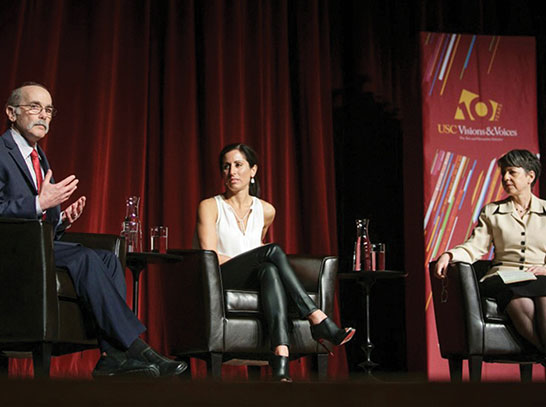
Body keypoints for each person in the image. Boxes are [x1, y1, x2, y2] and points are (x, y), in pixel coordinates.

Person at [0, 82, 187, 378]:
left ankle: (111, 355)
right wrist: (38, 202)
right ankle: (135, 347)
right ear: (11, 113)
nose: (43, 115)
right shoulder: (2, 151)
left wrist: (61, 220)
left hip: (37, 247)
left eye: (49, 110)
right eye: (35, 107)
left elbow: (41, 223)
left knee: (109, 259)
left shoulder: (39, 156)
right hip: (11, 251)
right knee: (84, 258)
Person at [196, 143, 355, 382]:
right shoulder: (210, 206)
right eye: (226, 166)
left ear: (253, 170)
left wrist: (257, 261)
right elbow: (209, 255)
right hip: (221, 276)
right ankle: (316, 318)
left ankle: (281, 358)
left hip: (253, 278)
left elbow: (256, 246)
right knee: (271, 252)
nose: (231, 172)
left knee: (269, 269)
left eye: (238, 165)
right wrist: (252, 259)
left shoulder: (266, 210)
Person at [435, 149, 546, 353]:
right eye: (503, 172)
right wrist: (450, 254)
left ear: (531, 176)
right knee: (520, 301)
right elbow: (475, 246)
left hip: (540, 276)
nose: (505, 178)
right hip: (503, 277)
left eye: (512, 172)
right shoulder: (492, 211)